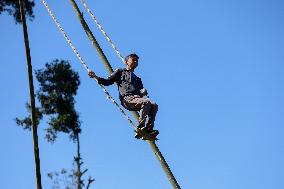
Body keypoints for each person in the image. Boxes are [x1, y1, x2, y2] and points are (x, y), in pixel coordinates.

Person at [88, 53, 159, 139]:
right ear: (126, 62)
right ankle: (141, 127)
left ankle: (148, 128)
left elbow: (142, 91)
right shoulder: (120, 72)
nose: (135, 62)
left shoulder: (137, 79)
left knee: (154, 105)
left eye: (137, 61)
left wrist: (143, 91)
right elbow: (107, 81)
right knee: (146, 102)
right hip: (127, 98)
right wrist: (95, 76)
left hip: (137, 99)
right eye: (133, 60)